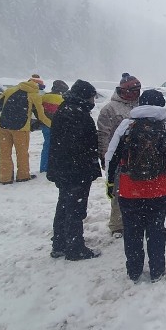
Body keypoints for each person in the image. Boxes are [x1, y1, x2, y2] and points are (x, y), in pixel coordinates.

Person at [106, 89, 166, 282]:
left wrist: (110, 182)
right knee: (156, 229)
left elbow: (112, 156)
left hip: (129, 189)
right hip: (160, 189)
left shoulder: (127, 125)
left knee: (132, 231)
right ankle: (157, 270)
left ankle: (134, 271)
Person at [47, 80, 103, 260]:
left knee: (64, 205)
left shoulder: (66, 109)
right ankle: (75, 247)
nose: (93, 101)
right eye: (91, 97)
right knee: (75, 208)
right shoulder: (76, 114)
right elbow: (79, 146)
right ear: (84, 96)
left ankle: (60, 244)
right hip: (76, 171)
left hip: (65, 169)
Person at [97, 72, 141, 238]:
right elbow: (103, 134)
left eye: (138, 90)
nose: (136, 94)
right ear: (124, 91)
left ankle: (136, 219)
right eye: (134, 90)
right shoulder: (110, 108)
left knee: (136, 190)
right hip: (118, 157)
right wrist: (104, 156)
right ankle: (117, 224)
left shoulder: (139, 105)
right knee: (118, 191)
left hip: (137, 157)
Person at [0, 75, 51, 183]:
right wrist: (53, 125)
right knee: (22, 153)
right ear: (37, 86)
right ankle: (23, 176)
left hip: (2, 126)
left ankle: (5, 178)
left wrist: (11, 112)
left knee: (4, 153)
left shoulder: (10, 90)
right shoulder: (34, 95)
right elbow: (41, 116)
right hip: (21, 128)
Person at [40, 80, 68, 174]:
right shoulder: (62, 99)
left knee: (47, 146)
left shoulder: (44, 97)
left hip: (45, 125)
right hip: (58, 126)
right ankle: (54, 166)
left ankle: (44, 167)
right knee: (57, 147)